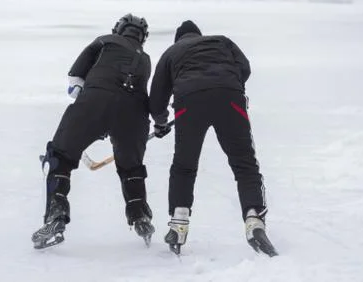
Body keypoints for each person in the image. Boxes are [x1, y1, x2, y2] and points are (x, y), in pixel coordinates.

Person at [149, 20, 277, 256]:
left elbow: (157, 96)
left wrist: (160, 122)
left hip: (188, 100)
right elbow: (245, 67)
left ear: (178, 39)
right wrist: (227, 85)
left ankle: (179, 221)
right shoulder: (222, 41)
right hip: (229, 97)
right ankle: (253, 218)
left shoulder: (172, 52)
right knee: (244, 163)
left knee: (184, 165)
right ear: (199, 35)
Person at [32, 14, 155, 249]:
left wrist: (90, 117)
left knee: (59, 156)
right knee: (131, 167)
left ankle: (56, 214)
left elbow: (76, 79)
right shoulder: (146, 59)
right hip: (135, 114)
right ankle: (140, 216)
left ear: (118, 29)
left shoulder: (104, 41)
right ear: (143, 37)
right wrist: (158, 122)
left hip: (96, 100)